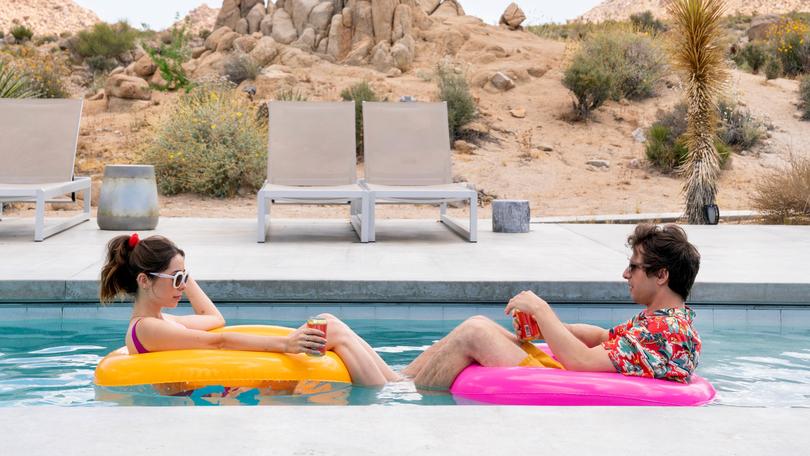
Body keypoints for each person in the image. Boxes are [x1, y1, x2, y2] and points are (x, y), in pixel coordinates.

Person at [403, 223, 702, 389]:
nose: (626, 274)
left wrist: (541, 310)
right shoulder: (662, 322)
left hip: (568, 385)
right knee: (479, 325)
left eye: (634, 267)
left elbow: (582, 362)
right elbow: (602, 338)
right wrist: (546, 328)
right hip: (573, 377)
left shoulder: (666, 330)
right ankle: (401, 380)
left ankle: (403, 392)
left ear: (661, 275)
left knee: (475, 333)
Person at [99, 233, 399, 387]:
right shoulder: (148, 328)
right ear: (144, 280)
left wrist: (182, 274)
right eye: (176, 279)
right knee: (330, 329)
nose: (182, 285)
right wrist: (287, 344)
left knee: (328, 320)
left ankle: (394, 379)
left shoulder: (163, 321)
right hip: (205, 391)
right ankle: (389, 390)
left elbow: (215, 320)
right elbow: (218, 340)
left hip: (213, 381)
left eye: (184, 278)